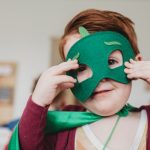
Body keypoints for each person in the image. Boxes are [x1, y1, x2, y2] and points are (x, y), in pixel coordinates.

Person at [8, 9, 150, 150]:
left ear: (136, 63)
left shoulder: (147, 119)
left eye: (111, 62)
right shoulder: (61, 128)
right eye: (81, 69)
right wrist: (37, 102)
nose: (100, 79)